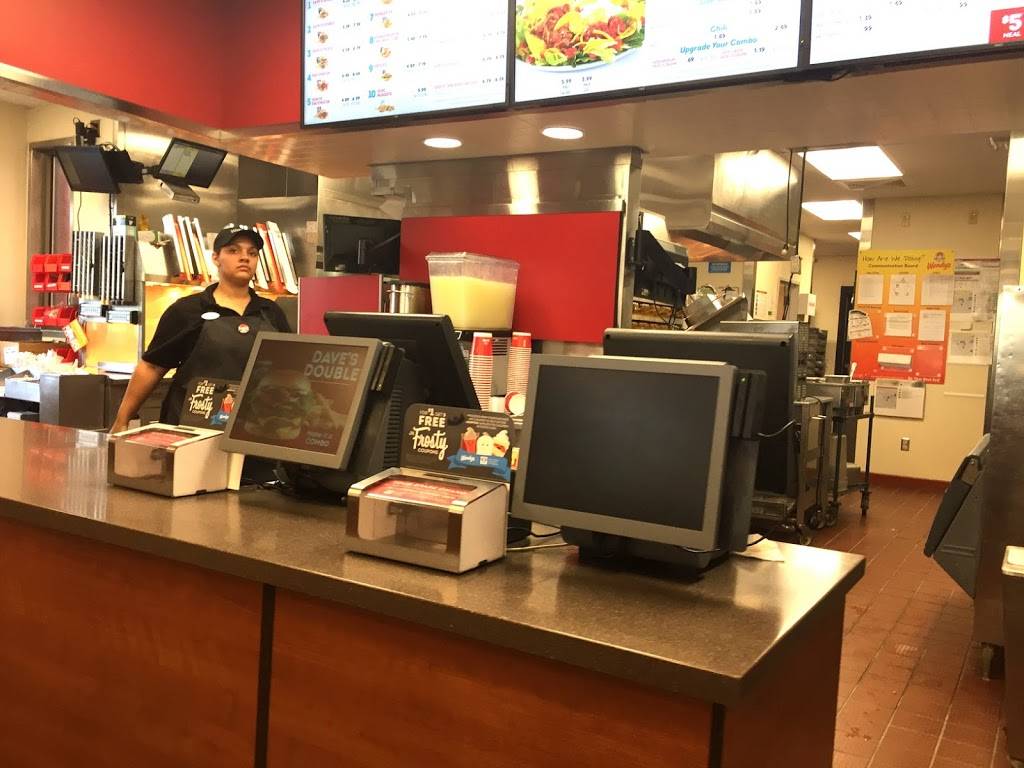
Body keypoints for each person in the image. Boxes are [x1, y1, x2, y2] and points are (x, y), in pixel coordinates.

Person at [110, 225, 291, 433]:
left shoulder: (271, 313)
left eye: (252, 253)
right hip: (191, 429)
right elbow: (152, 367)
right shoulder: (187, 310)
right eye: (233, 251)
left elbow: (289, 370)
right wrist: (122, 420)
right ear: (216, 258)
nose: (244, 258)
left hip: (253, 429)